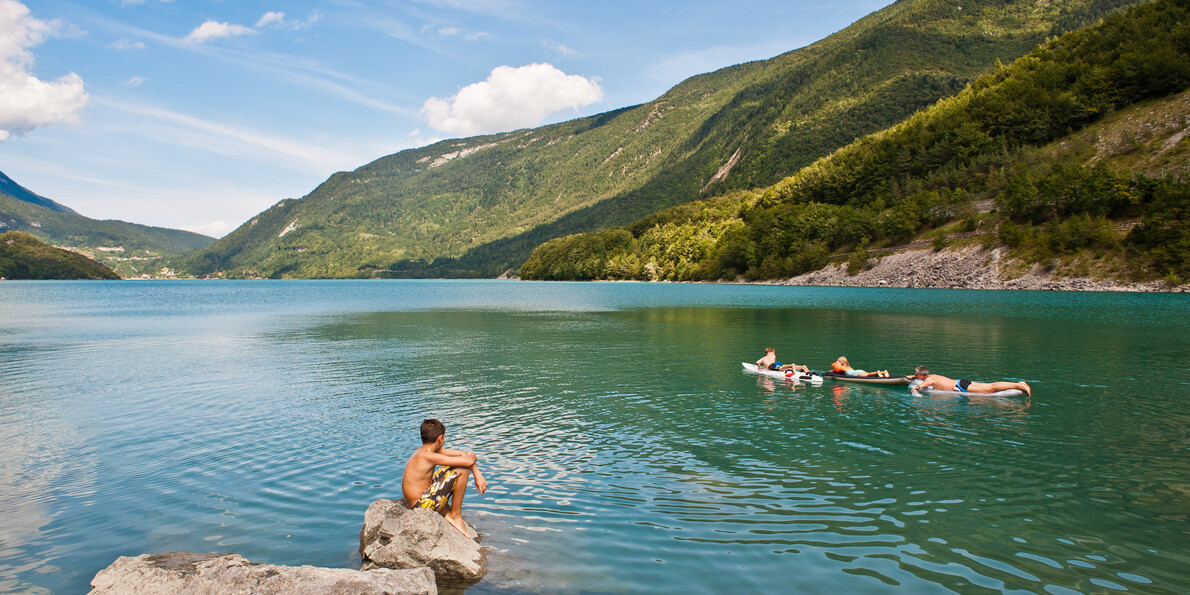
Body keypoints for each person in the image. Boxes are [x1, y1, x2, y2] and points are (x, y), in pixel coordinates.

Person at [402, 418, 488, 538]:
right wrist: (476, 472)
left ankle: (444, 509)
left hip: (420, 500)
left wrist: (476, 472)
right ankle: (455, 515)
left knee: (455, 466)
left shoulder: (424, 451)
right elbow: (469, 458)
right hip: (421, 505)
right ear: (440, 438)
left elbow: (463, 456)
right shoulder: (428, 456)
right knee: (462, 469)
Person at [910, 366, 1030, 396]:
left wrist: (917, 388)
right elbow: (922, 378)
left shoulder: (929, 379)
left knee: (991, 388)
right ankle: (1017, 385)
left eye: (917, 375)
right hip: (961, 382)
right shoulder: (933, 375)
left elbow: (926, 383)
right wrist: (912, 377)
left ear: (922, 375)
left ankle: (1019, 385)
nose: (916, 377)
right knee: (989, 386)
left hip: (959, 387)